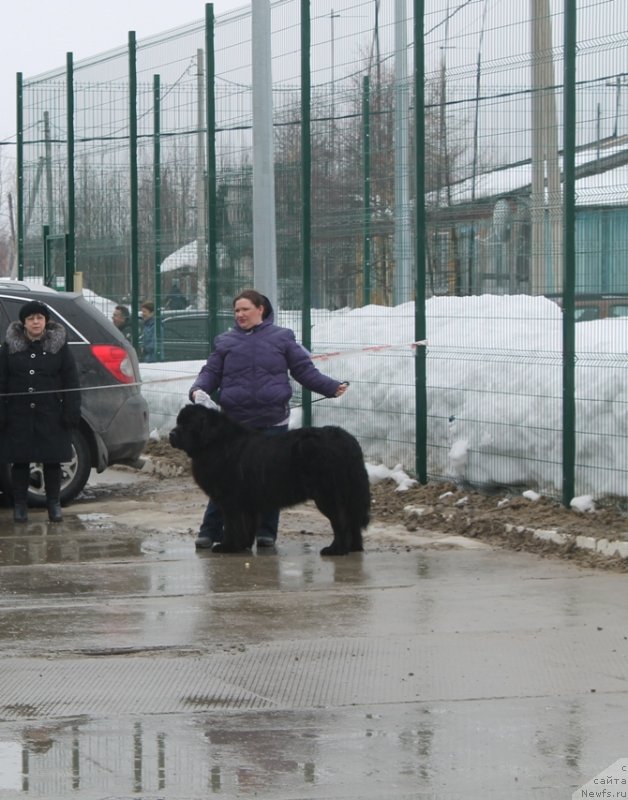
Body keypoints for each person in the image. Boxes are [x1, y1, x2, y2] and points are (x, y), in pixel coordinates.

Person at [189, 289, 348, 551]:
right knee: (224, 482)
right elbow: (210, 372)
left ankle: (266, 533)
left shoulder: (282, 338)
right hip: (235, 427)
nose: (240, 315)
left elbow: (303, 370)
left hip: (272, 421)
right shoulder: (225, 341)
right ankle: (210, 530)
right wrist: (198, 390)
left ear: (260, 309)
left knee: (271, 479)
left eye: (245, 309)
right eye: (236, 310)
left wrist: (330, 387)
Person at [0, 300, 81, 523]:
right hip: (19, 414)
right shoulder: (9, 346)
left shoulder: (59, 345)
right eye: (31, 318)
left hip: (51, 412)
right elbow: (2, 380)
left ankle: (53, 504)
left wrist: (71, 410)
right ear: (24, 323)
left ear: (45, 321)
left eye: (39, 318)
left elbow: (71, 380)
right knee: (20, 461)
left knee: (52, 459)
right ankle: (20, 506)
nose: (36, 322)